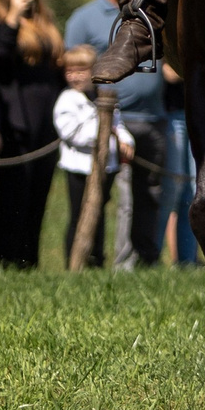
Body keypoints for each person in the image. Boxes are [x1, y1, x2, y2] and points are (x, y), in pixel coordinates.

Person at [64, 0, 167, 268]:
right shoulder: (84, 18)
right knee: (112, 199)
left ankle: (146, 260)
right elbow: (72, 68)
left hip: (152, 119)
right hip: (110, 120)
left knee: (150, 196)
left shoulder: (153, 13)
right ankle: (103, 261)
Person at [0, 0, 64, 267]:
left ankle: (30, 263)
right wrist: (13, 16)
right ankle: (7, 263)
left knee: (37, 202)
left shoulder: (45, 21)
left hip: (46, 128)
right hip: (14, 126)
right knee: (12, 200)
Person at [54, 44, 134, 270]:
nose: (75, 76)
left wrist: (126, 140)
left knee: (99, 215)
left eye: (81, 70)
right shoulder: (67, 100)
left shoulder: (103, 97)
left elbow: (118, 124)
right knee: (79, 215)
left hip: (105, 166)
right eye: (70, 71)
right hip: (79, 168)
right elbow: (70, 133)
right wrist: (104, 133)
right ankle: (75, 261)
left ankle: (96, 260)